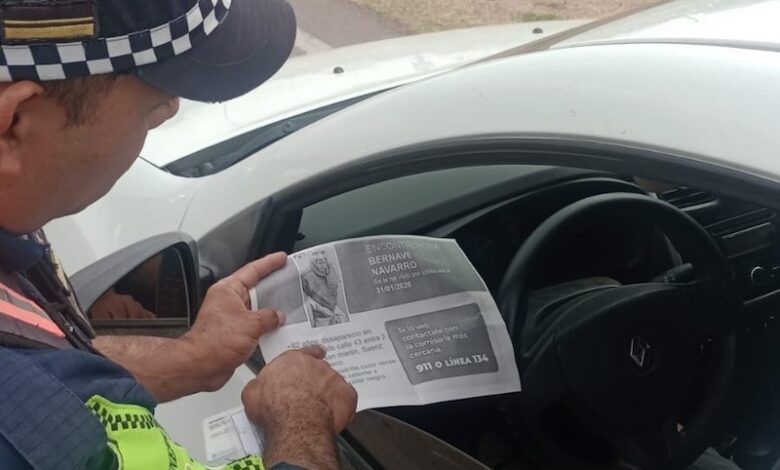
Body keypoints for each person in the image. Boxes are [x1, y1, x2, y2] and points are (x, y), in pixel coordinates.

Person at [0, 0, 357, 469]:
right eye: (155, 100)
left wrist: (194, 357)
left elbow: (50, 375)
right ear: (14, 124)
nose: (170, 110)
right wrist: (299, 416)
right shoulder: (34, 439)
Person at [301, 251, 348, 327]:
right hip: (320, 318)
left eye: (323, 253)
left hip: (336, 313)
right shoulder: (306, 276)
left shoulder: (332, 270)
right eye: (315, 254)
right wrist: (320, 309)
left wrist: (337, 312)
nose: (320, 257)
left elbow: (336, 292)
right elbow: (304, 299)